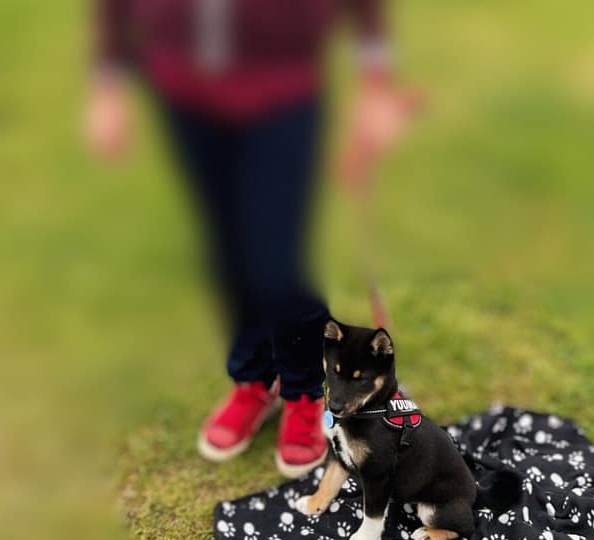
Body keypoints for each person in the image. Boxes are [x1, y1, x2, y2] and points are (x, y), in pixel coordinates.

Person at [87, 0, 418, 477]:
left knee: (277, 265)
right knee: (228, 253)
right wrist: (108, 81)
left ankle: (302, 390)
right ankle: (254, 377)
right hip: (183, 88)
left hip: (280, 88)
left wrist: (376, 82)